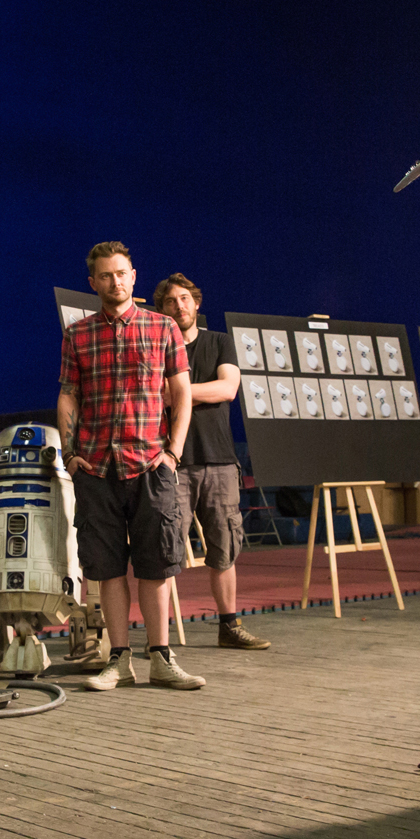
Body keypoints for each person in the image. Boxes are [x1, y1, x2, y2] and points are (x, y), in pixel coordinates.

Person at [57, 242, 204, 691]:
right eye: (105, 276)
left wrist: (173, 454)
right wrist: (69, 451)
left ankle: (160, 657)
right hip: (96, 466)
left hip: (149, 464)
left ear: (134, 276)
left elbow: (181, 394)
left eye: (121, 273)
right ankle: (118, 660)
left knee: (156, 564)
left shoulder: (163, 329)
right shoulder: (77, 334)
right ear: (93, 283)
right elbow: (68, 393)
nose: (114, 282)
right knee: (105, 569)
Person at [153, 273, 268, 649]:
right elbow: (155, 397)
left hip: (219, 461)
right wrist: (194, 394)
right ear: (162, 310)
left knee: (225, 548)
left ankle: (229, 626)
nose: (179, 306)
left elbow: (229, 389)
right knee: (165, 550)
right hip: (174, 463)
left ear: (196, 303)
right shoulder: (157, 347)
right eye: (171, 301)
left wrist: (180, 392)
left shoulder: (220, 342)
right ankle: (161, 638)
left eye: (185, 298)